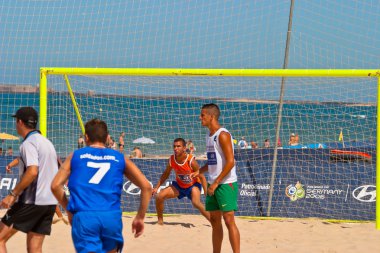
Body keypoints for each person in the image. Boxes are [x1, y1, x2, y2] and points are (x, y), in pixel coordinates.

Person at [51, 119, 152, 253]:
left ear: (86, 137)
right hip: (111, 217)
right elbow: (147, 187)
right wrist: (140, 217)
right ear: (107, 138)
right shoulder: (119, 157)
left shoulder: (75, 156)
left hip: (85, 216)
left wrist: (69, 211)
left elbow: (55, 186)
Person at [0, 106, 59, 253]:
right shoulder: (47, 143)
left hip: (32, 201)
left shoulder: (28, 143)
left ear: (20, 122)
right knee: (35, 248)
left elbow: (32, 172)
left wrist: (12, 194)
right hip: (49, 203)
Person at [196, 103, 240, 253]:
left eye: (202, 115)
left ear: (212, 116)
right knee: (215, 222)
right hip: (212, 183)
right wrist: (199, 171)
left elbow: (230, 161)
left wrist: (216, 182)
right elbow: (213, 161)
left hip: (225, 184)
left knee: (229, 221)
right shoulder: (209, 135)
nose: (200, 117)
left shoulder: (223, 134)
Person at [152, 138, 210, 225]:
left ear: (184, 148)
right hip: (179, 186)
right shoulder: (171, 159)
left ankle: (213, 221)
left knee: (196, 203)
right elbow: (166, 174)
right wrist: (156, 187)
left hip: (193, 185)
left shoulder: (191, 160)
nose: (176, 148)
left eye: (178, 146)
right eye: (174, 146)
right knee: (159, 196)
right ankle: (160, 222)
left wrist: (206, 193)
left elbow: (201, 176)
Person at [5, 157, 69, 225]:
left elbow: (19, 159)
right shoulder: (34, 153)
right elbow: (19, 159)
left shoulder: (38, 153)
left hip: (33, 179)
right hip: (32, 179)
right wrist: (9, 166)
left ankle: (59, 216)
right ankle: (59, 216)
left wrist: (9, 166)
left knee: (44, 198)